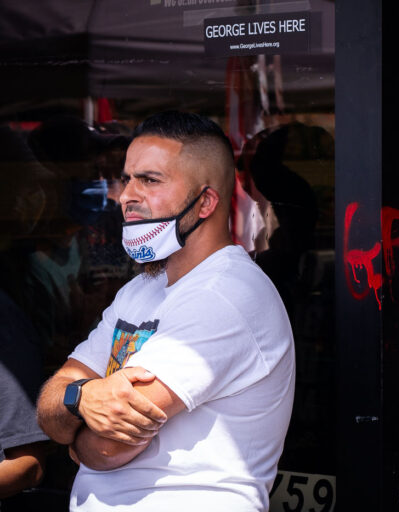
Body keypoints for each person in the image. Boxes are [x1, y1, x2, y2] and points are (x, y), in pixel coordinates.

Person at [36, 111, 295, 511]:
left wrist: (75, 424)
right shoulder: (141, 290)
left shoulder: (226, 294)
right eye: (127, 178)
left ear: (206, 201)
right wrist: (79, 399)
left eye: (150, 180)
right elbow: (51, 403)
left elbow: (105, 448)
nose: (125, 196)